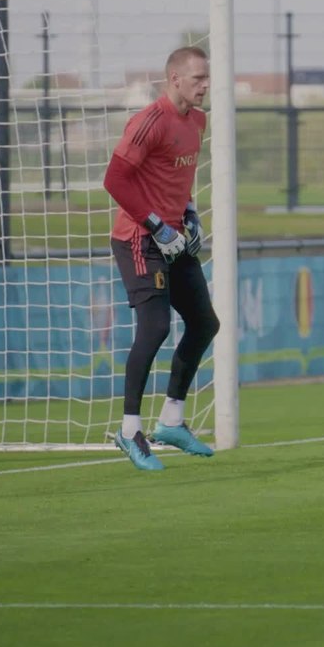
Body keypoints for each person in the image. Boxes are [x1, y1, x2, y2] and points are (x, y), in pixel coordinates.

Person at [103, 46, 220, 471]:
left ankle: (171, 420)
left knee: (206, 322)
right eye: (197, 79)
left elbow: (177, 175)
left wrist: (189, 214)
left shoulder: (198, 122)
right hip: (140, 238)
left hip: (174, 235)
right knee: (154, 327)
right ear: (174, 79)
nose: (205, 85)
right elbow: (114, 179)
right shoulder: (149, 121)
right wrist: (157, 224)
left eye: (207, 78)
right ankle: (130, 430)